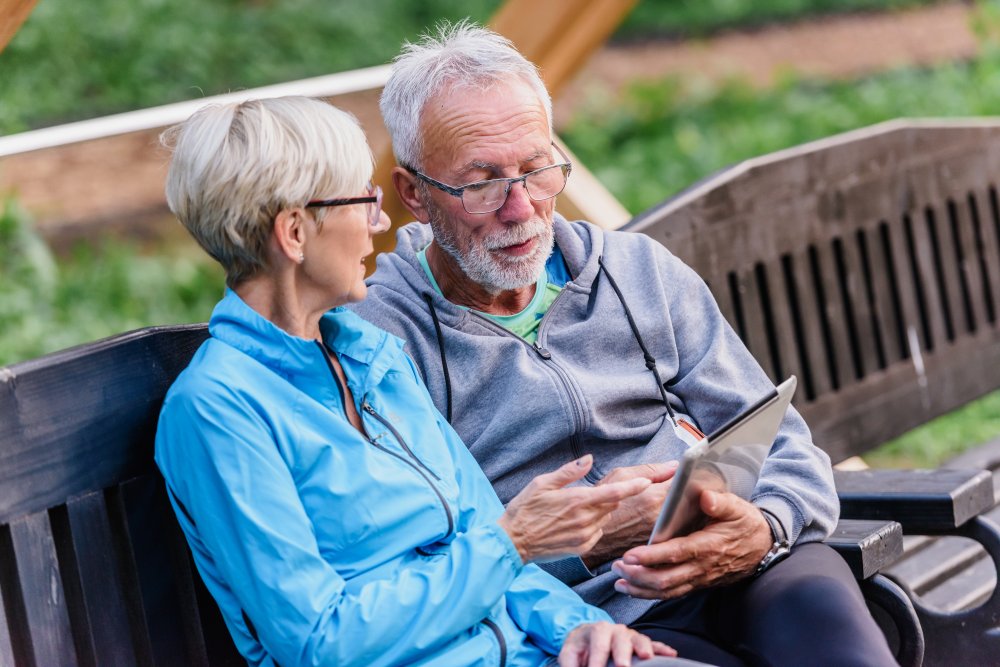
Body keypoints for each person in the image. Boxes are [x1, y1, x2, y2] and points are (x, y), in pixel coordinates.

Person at [352, 22, 899, 667]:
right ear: (414, 194)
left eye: (537, 169)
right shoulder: (381, 339)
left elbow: (781, 440)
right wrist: (585, 544)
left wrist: (767, 526)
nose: (521, 207)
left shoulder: (638, 271)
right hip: (585, 621)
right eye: (482, 183)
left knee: (836, 638)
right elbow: (422, 559)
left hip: (746, 561)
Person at [154, 95, 686, 667]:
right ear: (294, 233)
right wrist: (513, 543)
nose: (380, 225)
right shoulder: (218, 410)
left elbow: (480, 536)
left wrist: (578, 628)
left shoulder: (370, 357)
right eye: (364, 200)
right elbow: (320, 642)